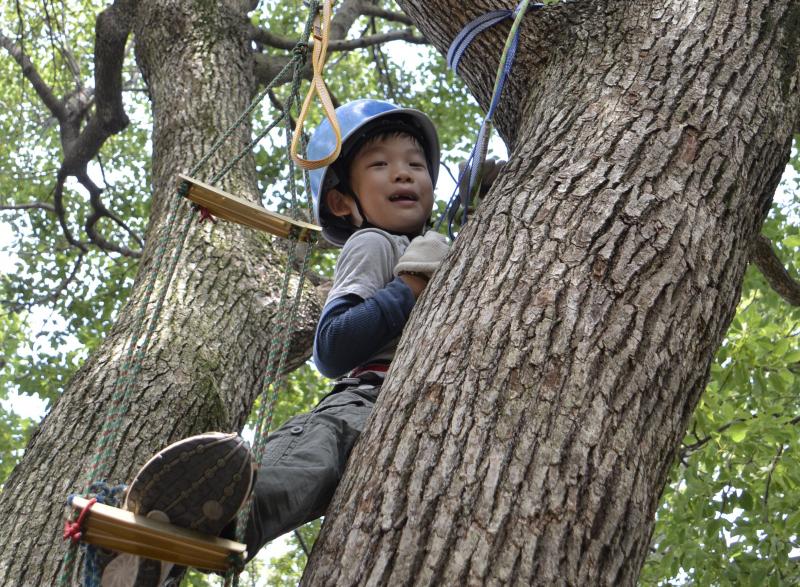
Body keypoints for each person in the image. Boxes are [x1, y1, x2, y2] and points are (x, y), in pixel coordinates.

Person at [98, 99, 452, 586]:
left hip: (424, 405)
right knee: (302, 470)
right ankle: (171, 533)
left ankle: (167, 554)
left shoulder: (443, 249)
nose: (403, 174)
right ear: (342, 201)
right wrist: (408, 288)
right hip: (364, 401)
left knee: (294, 493)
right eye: (380, 164)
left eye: (416, 164)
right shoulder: (377, 245)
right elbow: (332, 346)